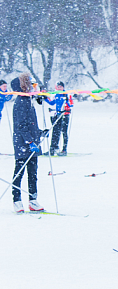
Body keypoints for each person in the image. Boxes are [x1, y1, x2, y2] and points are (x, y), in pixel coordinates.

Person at [11, 73, 48, 213]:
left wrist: (40, 132)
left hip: (32, 143)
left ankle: (33, 200)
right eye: (32, 85)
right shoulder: (21, 101)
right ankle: (17, 200)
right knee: (19, 172)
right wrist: (30, 141)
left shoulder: (29, 100)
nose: (34, 87)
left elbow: (31, 124)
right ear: (24, 86)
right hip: (22, 144)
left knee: (33, 173)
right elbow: (21, 125)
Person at [44, 81, 73, 156]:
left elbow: (71, 105)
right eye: (58, 87)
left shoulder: (66, 94)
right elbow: (52, 103)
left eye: (60, 87)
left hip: (65, 115)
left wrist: (67, 101)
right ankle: (53, 149)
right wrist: (45, 98)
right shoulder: (57, 95)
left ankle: (64, 149)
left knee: (64, 132)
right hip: (58, 115)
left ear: (63, 87)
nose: (59, 88)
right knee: (55, 132)